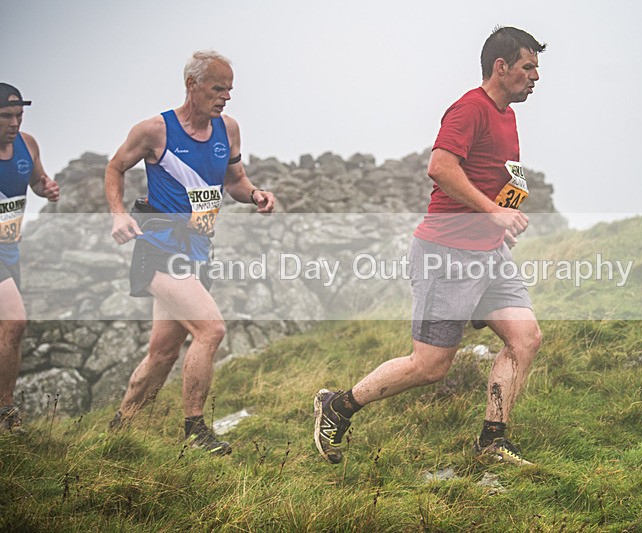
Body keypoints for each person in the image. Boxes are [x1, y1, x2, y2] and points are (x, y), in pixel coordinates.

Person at [314, 27, 545, 466]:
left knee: (526, 338)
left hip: (489, 254)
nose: (535, 77)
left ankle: (491, 441)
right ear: (502, 67)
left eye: (536, 69)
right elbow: (440, 167)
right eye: (528, 67)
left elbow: (489, 178)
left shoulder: (508, 116)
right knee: (430, 366)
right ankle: (338, 406)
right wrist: (492, 213)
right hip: (447, 253)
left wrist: (502, 218)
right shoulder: (468, 109)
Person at [104, 51, 275, 455]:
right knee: (211, 329)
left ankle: (121, 428)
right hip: (158, 246)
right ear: (192, 85)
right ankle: (196, 432)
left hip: (198, 250)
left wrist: (254, 194)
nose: (227, 97)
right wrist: (116, 214)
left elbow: (234, 179)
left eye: (230, 89)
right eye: (218, 88)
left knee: (163, 352)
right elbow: (114, 168)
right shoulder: (154, 131)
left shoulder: (228, 130)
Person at [0, 83, 60, 433]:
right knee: (15, 321)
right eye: (6, 116)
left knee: (11, 331)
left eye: (19, 115)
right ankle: (6, 412)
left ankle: (5, 409)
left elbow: (37, 179)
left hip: (11, 249)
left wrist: (47, 188)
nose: (14, 122)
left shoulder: (28, 144)